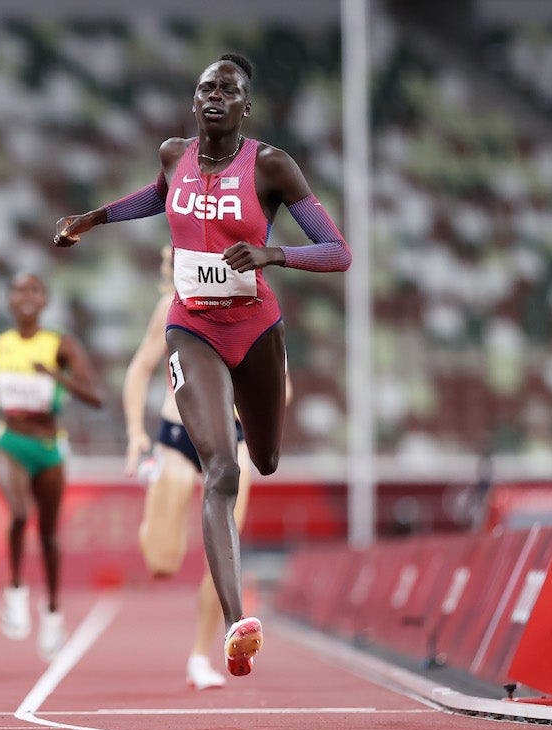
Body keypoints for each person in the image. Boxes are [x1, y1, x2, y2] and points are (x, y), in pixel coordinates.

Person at [55, 53, 351, 677]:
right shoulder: (173, 155)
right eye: (205, 87)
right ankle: (238, 623)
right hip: (192, 327)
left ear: (246, 106)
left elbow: (337, 251)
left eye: (229, 89)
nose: (215, 95)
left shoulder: (270, 166)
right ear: (195, 102)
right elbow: (153, 198)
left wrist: (271, 253)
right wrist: (93, 219)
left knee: (263, 458)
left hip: (256, 328)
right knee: (222, 470)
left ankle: (250, 469)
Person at [123, 246, 292, 689]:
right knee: (161, 562)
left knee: (225, 554)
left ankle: (204, 653)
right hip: (179, 439)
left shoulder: (256, 309)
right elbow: (139, 370)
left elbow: (283, 387)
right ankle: (153, 511)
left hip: (230, 442)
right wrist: (135, 436)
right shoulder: (172, 307)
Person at [0, 273, 103, 661]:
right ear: (9, 300)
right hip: (9, 440)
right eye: (18, 290)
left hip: (49, 446)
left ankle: (52, 614)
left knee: (48, 534)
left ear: (44, 300)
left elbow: (95, 396)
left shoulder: (60, 345)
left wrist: (56, 376)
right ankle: (14, 590)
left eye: (33, 290)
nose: (25, 297)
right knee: (17, 512)